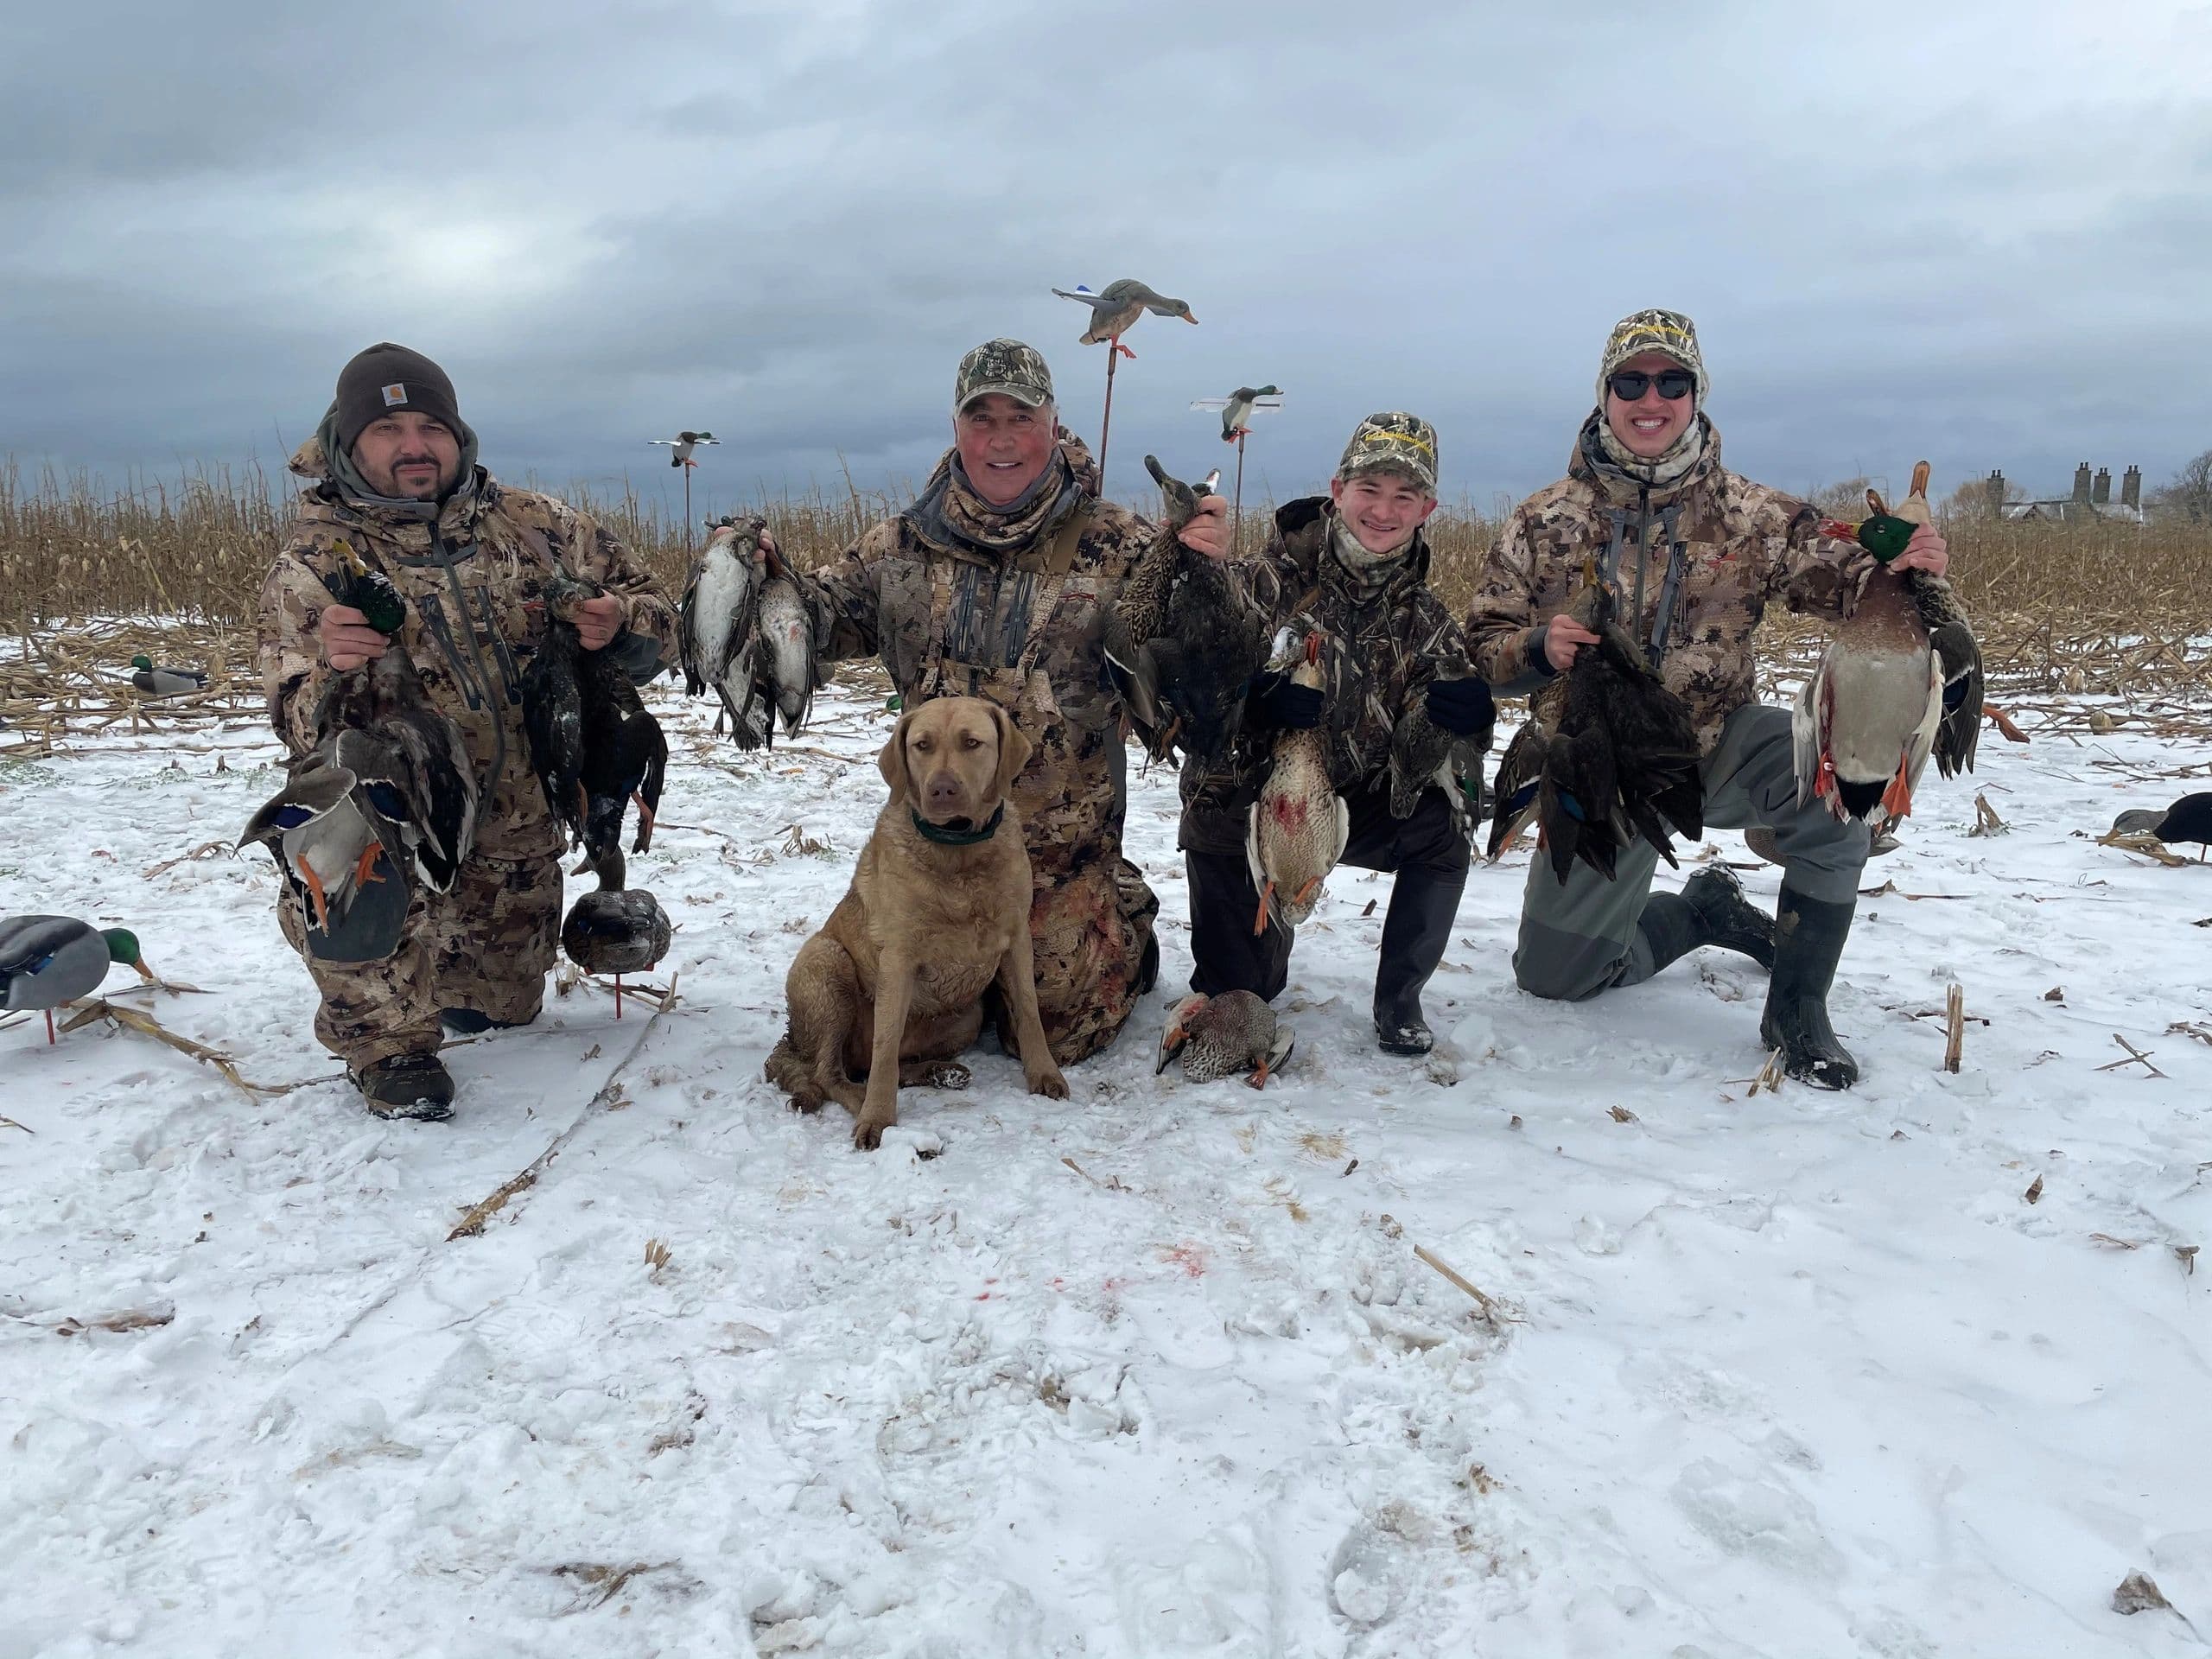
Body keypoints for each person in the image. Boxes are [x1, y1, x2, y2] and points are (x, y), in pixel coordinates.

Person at [1465, 309, 1948, 1089]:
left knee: (1834, 788)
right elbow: (1481, 646)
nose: (1650, 398)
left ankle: (1797, 1008)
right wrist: (1534, 648)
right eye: (1632, 381)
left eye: (1671, 381)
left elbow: (1856, 585)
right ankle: (1699, 913)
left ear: (1696, 393)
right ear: (1605, 392)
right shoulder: (1541, 519)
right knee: (1556, 979)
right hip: (1600, 773)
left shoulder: (1756, 515)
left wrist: (1910, 561)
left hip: (1717, 746)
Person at [759, 339, 1230, 1065]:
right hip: (930, 847)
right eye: (982, 419)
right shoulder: (899, 547)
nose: (1002, 439)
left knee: (1056, 1028)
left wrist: (1208, 580)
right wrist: (764, 578)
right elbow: (817, 617)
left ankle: (1117, 912)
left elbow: (1200, 686)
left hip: (1054, 855)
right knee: (905, 998)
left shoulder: (1121, 546)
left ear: (1053, 422)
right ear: (956, 429)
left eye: (1022, 417)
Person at [257, 343, 679, 1119]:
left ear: (458, 433)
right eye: (388, 430)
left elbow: (665, 626)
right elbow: (291, 709)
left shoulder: (541, 528)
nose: (415, 446)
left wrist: (622, 624)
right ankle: (386, 1044)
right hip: (399, 822)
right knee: (335, 829)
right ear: (349, 443)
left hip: (517, 826)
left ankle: (456, 965)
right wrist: (331, 666)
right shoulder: (322, 559)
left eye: (431, 426)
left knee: (501, 1013)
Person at [1178, 413, 1493, 1055]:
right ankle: (1260, 936)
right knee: (1244, 997)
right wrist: (1252, 704)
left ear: (1427, 508)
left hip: (1349, 808)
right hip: (1248, 808)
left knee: (1447, 823)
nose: (1384, 509)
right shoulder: (1255, 584)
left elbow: (1447, 748)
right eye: (1370, 489)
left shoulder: (1429, 623)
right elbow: (1180, 709)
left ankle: (1399, 997)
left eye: (1405, 495)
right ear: (1337, 489)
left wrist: (1468, 724)